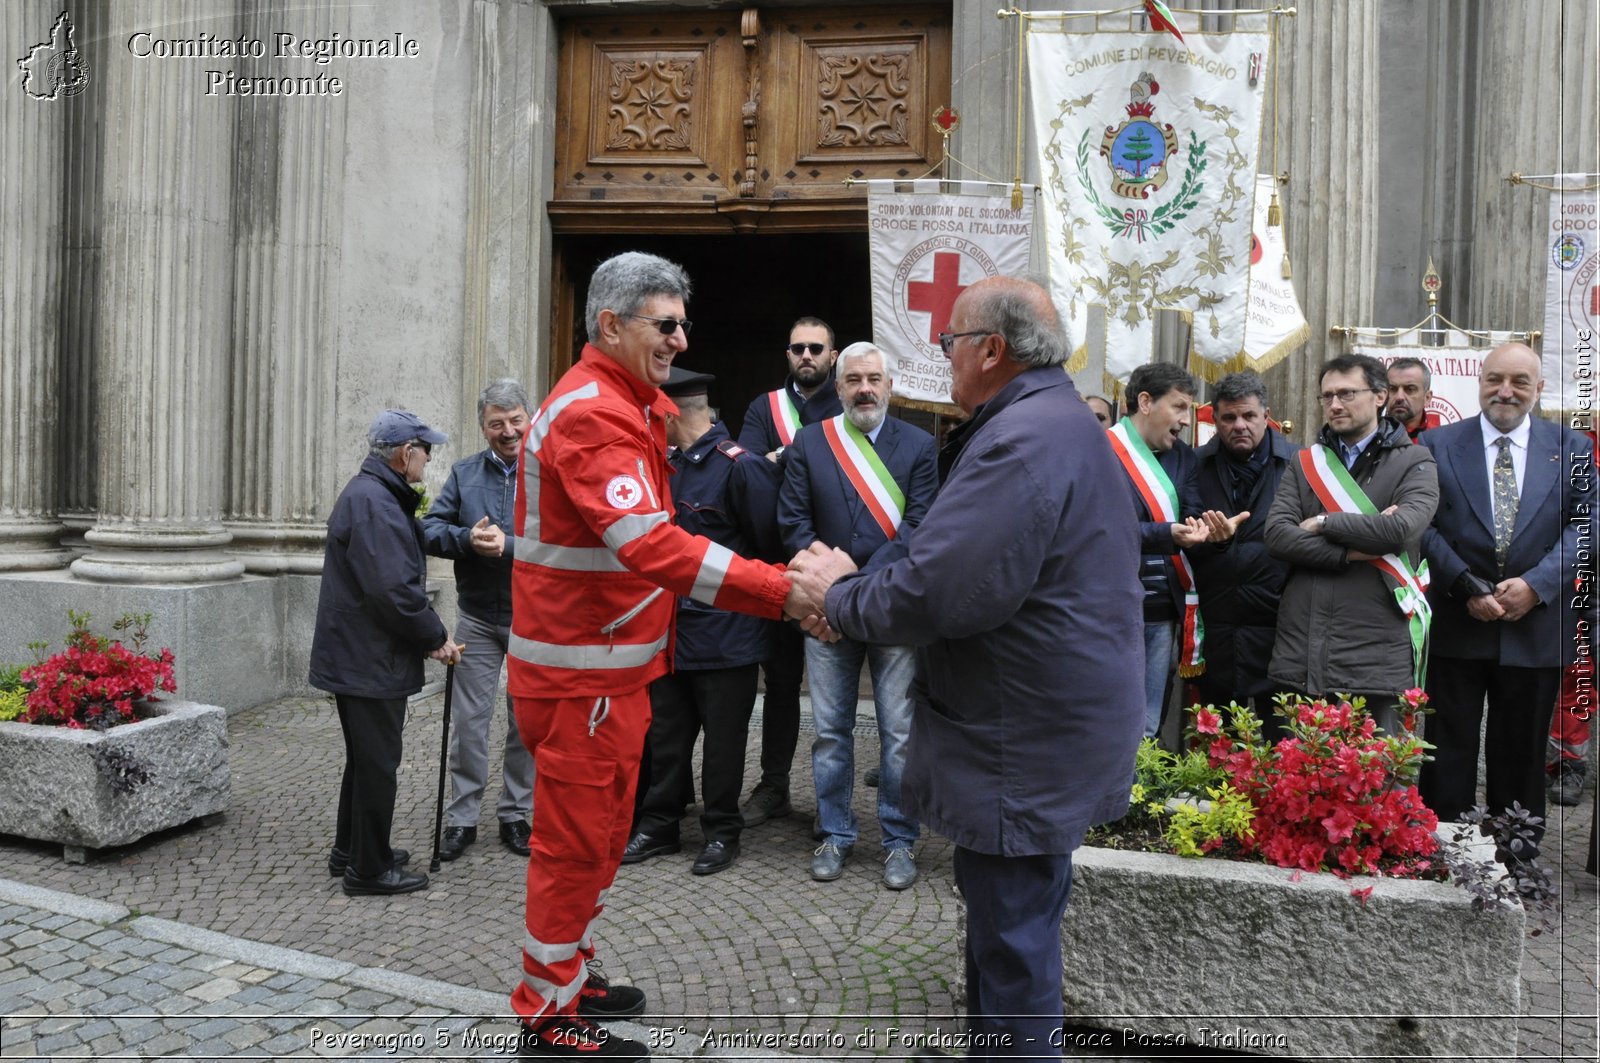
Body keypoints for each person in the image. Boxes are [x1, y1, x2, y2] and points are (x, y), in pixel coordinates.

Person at [786, 275, 1142, 1058]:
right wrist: (857, 586)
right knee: (1004, 933)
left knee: (1014, 948)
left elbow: (945, 590)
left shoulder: (1025, 437)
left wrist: (840, 597)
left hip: (1024, 739)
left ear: (991, 349)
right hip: (1036, 727)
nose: (940, 353)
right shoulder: (1045, 419)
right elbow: (942, 554)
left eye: (950, 339)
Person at [505, 252, 807, 1061]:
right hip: (579, 681)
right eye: (665, 324)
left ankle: (571, 972)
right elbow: (652, 547)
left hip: (612, 674)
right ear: (611, 324)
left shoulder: (627, 404)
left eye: (683, 323)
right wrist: (781, 591)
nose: (681, 338)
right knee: (574, 845)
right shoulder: (594, 413)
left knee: (604, 836)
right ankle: (546, 1013)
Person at [778, 342, 937, 889]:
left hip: (893, 608)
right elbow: (793, 525)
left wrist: (854, 580)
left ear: (889, 385)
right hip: (826, 613)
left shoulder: (919, 446)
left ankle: (898, 840)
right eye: (854, 380)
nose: (865, 388)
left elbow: (921, 529)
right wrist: (832, 589)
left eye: (874, 379)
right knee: (829, 732)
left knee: (897, 733)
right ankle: (836, 833)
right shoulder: (811, 441)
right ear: (839, 386)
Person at [1417, 343, 1595, 831]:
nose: (1505, 391)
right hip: (1458, 621)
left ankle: (1517, 858)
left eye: (1519, 381)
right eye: (1495, 379)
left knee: (1521, 750)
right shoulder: (1435, 446)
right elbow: (1422, 524)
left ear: (1539, 389)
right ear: (1479, 382)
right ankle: (1443, 852)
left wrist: (1538, 585)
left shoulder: (1574, 448)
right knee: (1446, 750)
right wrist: (1465, 586)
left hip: (1536, 627)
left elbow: (1588, 524)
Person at [624, 367, 782, 876]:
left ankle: (720, 830)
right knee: (666, 734)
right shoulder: (662, 466)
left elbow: (765, 550)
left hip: (727, 632)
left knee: (723, 741)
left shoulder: (739, 467)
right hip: (670, 630)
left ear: (670, 412)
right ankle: (659, 825)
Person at [310, 410, 462, 897]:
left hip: (358, 654)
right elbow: (394, 591)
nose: (429, 458)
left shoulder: (373, 494)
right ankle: (369, 870)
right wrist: (435, 636)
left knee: (364, 760)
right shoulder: (375, 503)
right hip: (368, 658)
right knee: (377, 764)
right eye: (426, 450)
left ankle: (352, 850)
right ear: (404, 455)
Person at [1264, 353, 1439, 735]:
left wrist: (1325, 522)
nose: (1335, 404)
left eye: (1346, 393)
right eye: (1327, 396)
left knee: (1377, 781)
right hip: (1305, 645)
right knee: (1303, 782)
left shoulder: (1415, 461)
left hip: (1376, 651)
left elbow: (1401, 531)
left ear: (1379, 396)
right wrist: (1350, 551)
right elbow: (1277, 536)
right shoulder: (1305, 463)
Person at [420, 380, 535, 862]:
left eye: (515, 421)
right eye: (496, 423)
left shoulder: (551, 470)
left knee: (525, 722)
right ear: (483, 427)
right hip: (478, 618)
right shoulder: (465, 473)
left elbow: (568, 548)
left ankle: (516, 814)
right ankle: (462, 818)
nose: (507, 432)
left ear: (529, 419)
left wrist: (509, 545)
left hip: (534, 618)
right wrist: (467, 539)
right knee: (469, 723)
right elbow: (430, 529)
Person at [736, 316, 843, 829]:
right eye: (797, 347)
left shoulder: (847, 406)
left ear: (833, 355)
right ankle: (774, 784)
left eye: (815, 348)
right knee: (779, 684)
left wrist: (783, 457)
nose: (806, 355)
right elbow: (748, 470)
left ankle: (832, 801)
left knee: (833, 689)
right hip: (775, 566)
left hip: (831, 567)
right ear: (787, 354)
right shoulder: (764, 408)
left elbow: (846, 486)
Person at [1108, 362, 1243, 740]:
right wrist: (1166, 534)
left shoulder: (1184, 456)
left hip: (1165, 609)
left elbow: (1191, 510)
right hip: (1112, 609)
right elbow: (1099, 533)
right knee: (1111, 721)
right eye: (1180, 407)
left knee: (1150, 725)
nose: (1187, 419)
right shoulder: (1102, 451)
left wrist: (1211, 532)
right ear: (1146, 402)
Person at [1190, 371, 1300, 721]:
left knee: (1284, 751)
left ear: (1265, 416)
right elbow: (1182, 536)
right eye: (1229, 417)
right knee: (1219, 751)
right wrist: (1214, 543)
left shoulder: (1301, 464)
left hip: (1280, 629)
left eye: (1249, 416)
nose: (1239, 425)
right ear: (1215, 419)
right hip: (1218, 626)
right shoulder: (1195, 465)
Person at [1386, 356, 1441, 441]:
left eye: (1410, 389)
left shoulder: (1440, 440)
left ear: (1427, 398)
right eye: (1392, 389)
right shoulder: (1369, 437)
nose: (1399, 397)